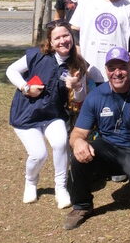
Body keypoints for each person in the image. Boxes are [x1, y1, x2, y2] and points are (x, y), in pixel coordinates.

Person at [64, 47, 130, 230]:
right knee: (78, 155)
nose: (117, 72)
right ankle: (82, 206)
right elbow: (77, 133)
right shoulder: (96, 96)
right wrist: (78, 142)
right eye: (112, 68)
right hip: (109, 149)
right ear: (106, 70)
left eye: (122, 67)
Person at [6, 19, 88, 208]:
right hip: (26, 115)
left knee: (60, 143)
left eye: (66, 35)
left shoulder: (77, 64)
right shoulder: (37, 55)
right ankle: (30, 182)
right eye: (57, 38)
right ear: (50, 42)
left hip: (53, 115)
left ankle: (61, 188)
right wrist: (26, 88)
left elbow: (80, 97)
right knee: (39, 154)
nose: (63, 41)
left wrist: (76, 86)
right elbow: (11, 70)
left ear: (71, 36)